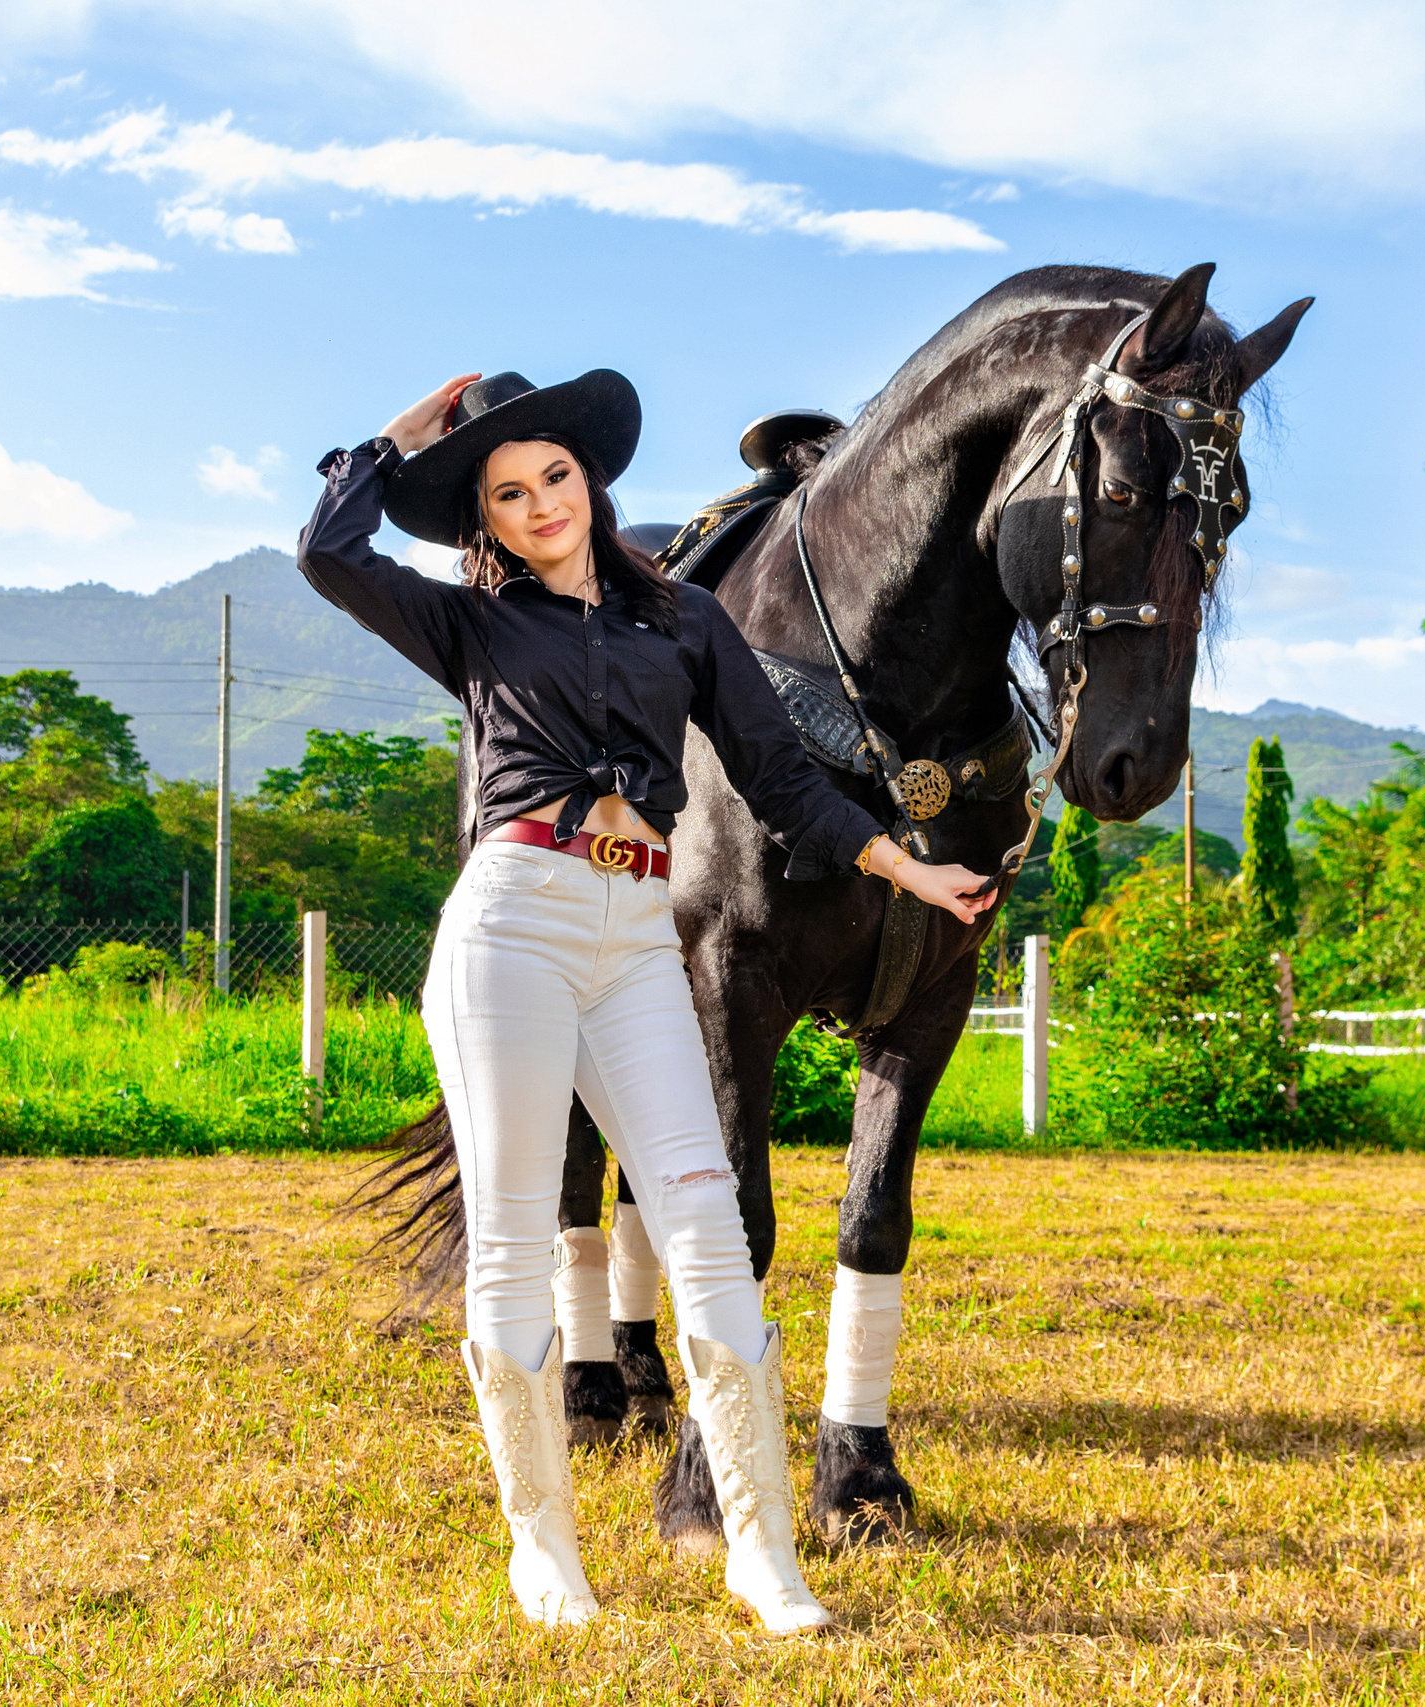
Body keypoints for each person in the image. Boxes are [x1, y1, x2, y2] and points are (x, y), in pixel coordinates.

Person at [297, 370, 994, 1633]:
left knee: (708, 1230)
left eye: (554, 476)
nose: (539, 503)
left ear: (590, 481)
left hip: (636, 933)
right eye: (507, 494)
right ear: (488, 524)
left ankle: (760, 1552)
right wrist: (395, 443)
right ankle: (542, 1549)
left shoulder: (684, 620)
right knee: (510, 1243)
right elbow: (325, 553)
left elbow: (784, 782)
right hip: (512, 921)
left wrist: (908, 869)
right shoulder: (467, 626)